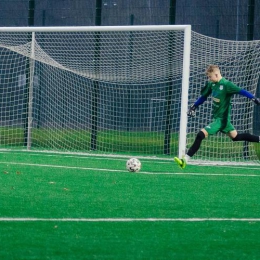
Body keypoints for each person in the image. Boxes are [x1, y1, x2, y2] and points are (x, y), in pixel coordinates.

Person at [174, 64, 260, 169]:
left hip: (221, 120)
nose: (209, 79)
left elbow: (241, 91)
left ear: (216, 74)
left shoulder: (227, 84)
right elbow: (203, 97)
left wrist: (253, 98)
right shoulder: (212, 84)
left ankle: (185, 160)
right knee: (236, 137)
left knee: (200, 134)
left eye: (210, 76)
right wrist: (194, 106)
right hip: (221, 120)